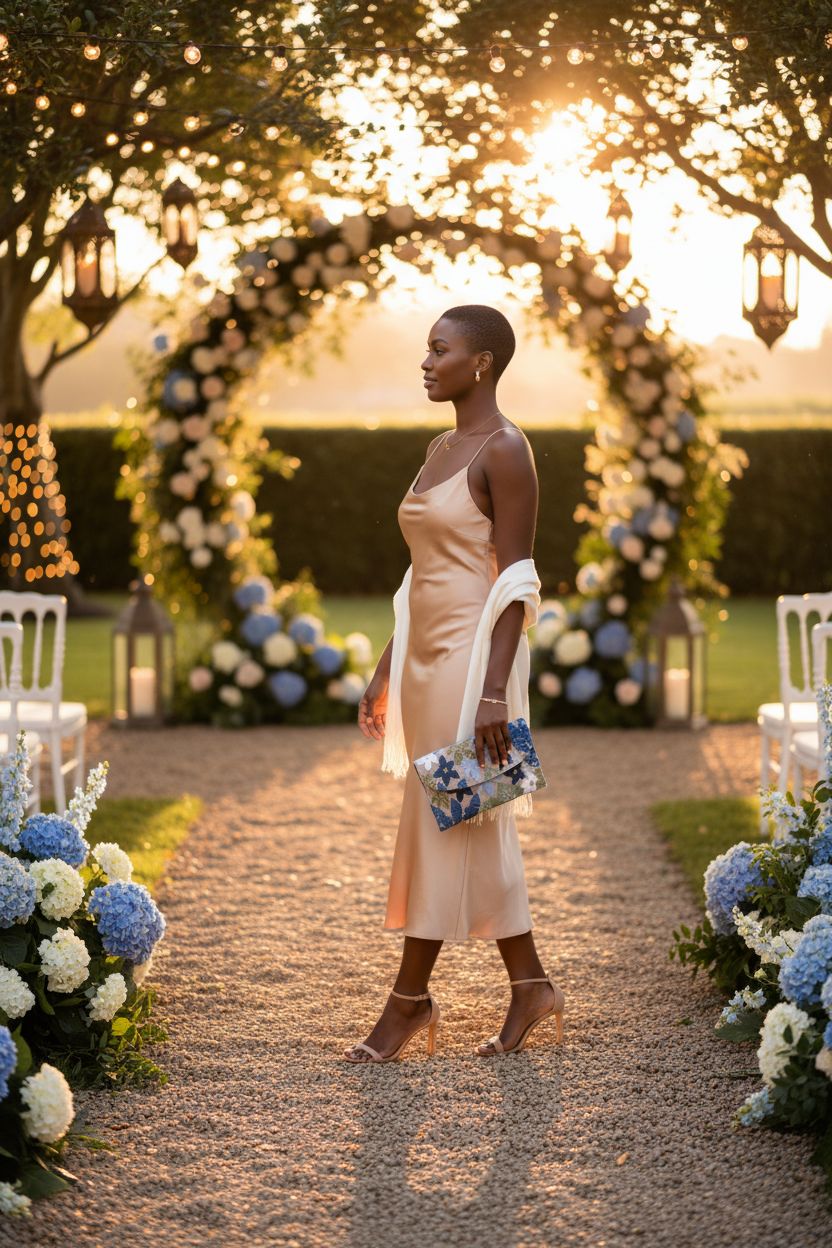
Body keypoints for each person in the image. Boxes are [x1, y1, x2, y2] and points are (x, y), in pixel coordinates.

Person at [343, 304, 564, 1063]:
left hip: (475, 662)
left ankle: (408, 1004)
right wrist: (385, 664)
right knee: (470, 814)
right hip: (422, 661)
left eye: (441, 349)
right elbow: (425, 570)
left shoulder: (507, 450)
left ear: (483, 364)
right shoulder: (441, 445)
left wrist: (496, 691)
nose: (427, 361)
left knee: (456, 812)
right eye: (426, 349)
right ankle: (529, 984)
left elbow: (518, 581)